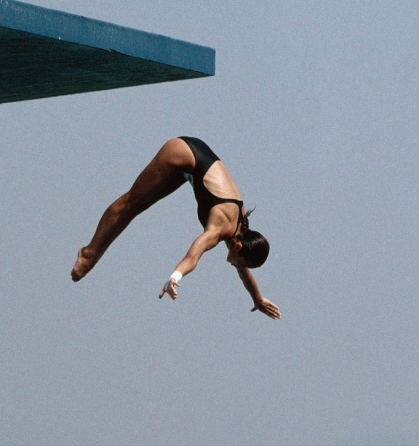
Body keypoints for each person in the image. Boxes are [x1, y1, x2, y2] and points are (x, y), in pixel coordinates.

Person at [71, 136, 281, 318]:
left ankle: (94, 253)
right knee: (131, 202)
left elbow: (244, 271)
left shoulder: (240, 231)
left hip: (193, 165)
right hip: (182, 152)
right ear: (238, 248)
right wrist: (175, 277)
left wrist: (257, 299)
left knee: (138, 209)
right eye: (239, 263)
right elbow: (192, 257)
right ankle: (89, 252)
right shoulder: (219, 228)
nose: (237, 266)